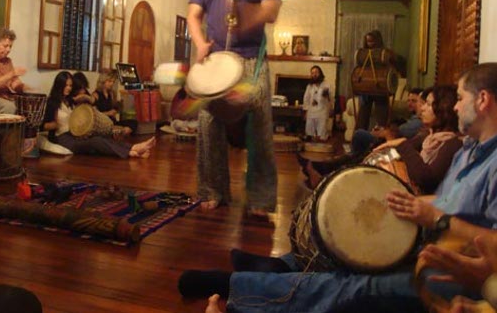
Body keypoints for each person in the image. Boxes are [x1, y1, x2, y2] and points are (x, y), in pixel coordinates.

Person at [179, 62, 497, 313]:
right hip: (429, 243)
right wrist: (394, 202)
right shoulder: (470, 150)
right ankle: (279, 266)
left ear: (482, 100)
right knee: (346, 246)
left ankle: (236, 287)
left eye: (459, 98)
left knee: (355, 285)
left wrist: (436, 218)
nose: (454, 107)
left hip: (455, 270)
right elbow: (445, 200)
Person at [186, 0, 281, 217]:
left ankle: (260, 200)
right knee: (208, 127)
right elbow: (192, 15)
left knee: (260, 128)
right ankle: (212, 191)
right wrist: (200, 43)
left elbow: (272, 10)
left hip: (252, 61)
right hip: (216, 61)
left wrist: (246, 16)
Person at [42, 71, 155, 159]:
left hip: (75, 134)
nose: (69, 88)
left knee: (101, 137)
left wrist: (85, 98)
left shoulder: (70, 101)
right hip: (64, 139)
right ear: (59, 85)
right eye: (66, 85)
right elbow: (44, 125)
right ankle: (133, 150)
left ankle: (133, 150)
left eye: (70, 86)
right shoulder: (52, 102)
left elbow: (89, 101)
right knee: (95, 142)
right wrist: (54, 124)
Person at [374, 85, 462, 194]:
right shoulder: (429, 137)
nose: (422, 108)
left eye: (429, 104)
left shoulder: (453, 144)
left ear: (444, 109)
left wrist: (402, 143)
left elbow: (427, 179)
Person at [351, 87, 424, 154]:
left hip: (392, 145)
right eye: (408, 101)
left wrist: (379, 133)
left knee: (359, 134)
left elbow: (396, 132)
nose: (410, 104)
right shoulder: (412, 117)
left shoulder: (418, 121)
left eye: (414, 101)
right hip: (389, 141)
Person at [355, 30, 395, 130]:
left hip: (380, 87)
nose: (370, 44)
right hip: (367, 87)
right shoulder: (363, 53)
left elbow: (390, 65)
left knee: (382, 115)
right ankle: (360, 135)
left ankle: (380, 138)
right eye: (368, 41)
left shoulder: (384, 53)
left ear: (377, 41)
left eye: (372, 41)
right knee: (363, 114)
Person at [92, 70, 136, 135]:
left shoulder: (111, 93)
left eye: (113, 82)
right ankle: (118, 132)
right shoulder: (95, 95)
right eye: (109, 81)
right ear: (102, 82)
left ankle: (120, 132)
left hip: (112, 121)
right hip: (102, 124)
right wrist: (108, 113)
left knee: (134, 122)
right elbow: (94, 115)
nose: (112, 84)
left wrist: (119, 106)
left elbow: (115, 108)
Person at [302, 65, 332, 141]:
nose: (314, 74)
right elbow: (306, 98)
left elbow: (331, 99)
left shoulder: (327, 85)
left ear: (320, 73)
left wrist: (328, 97)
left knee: (321, 135)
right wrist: (305, 111)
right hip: (311, 112)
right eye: (312, 73)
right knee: (310, 134)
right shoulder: (309, 86)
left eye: (316, 72)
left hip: (322, 111)